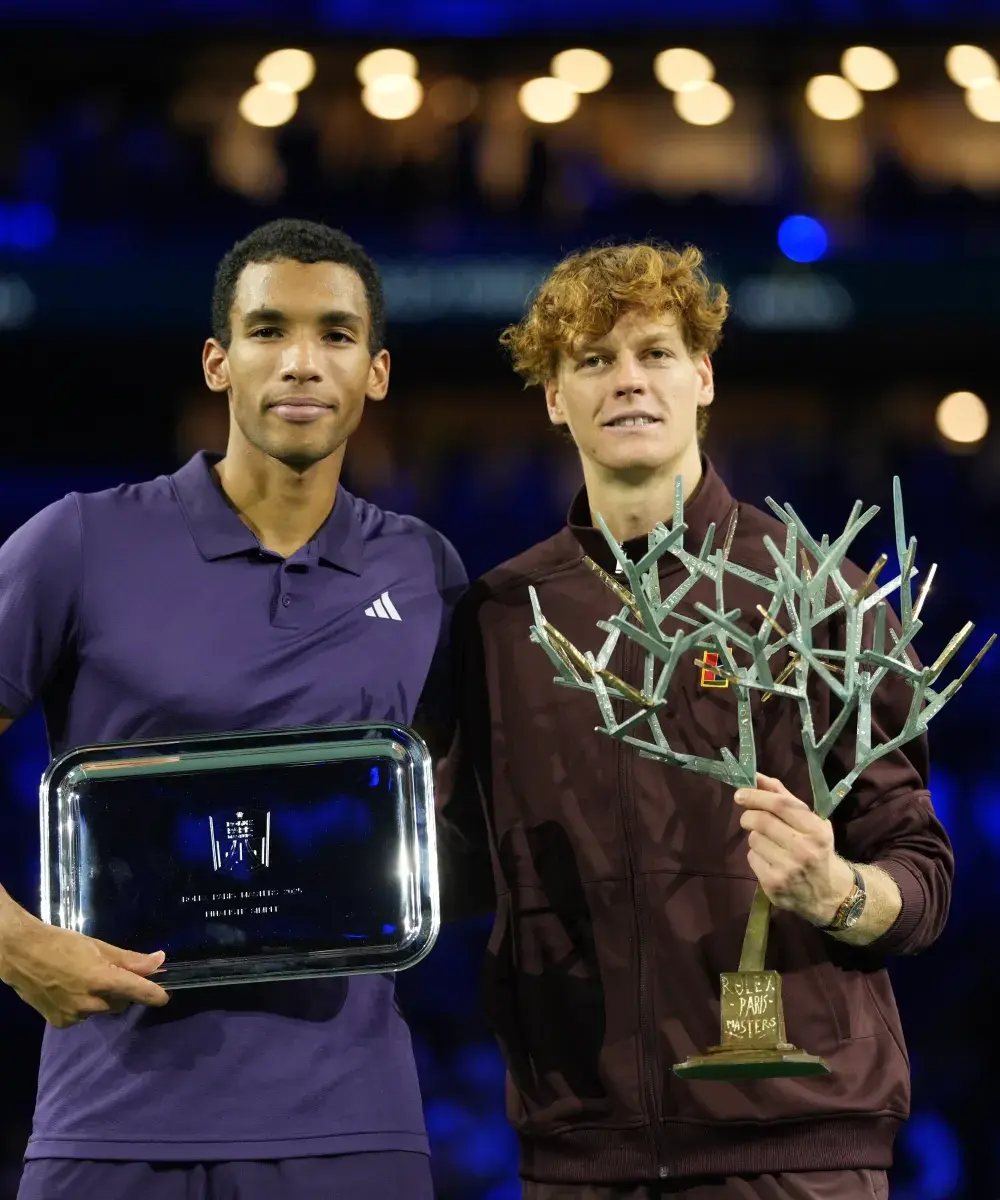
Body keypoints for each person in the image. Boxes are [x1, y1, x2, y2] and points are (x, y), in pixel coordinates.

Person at [436, 241, 953, 1199]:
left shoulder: (816, 590)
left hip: (799, 1150)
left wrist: (837, 889)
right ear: (554, 396)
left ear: (703, 376)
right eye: (592, 360)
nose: (626, 382)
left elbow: (921, 876)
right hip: (582, 1160)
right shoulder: (502, 619)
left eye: (654, 353)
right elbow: (455, 869)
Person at [0, 218, 466, 1200]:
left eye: (335, 335)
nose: (301, 363)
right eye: (268, 331)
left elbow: (464, 815)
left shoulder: (423, 572)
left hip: (355, 1127)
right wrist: (11, 941)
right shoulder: (78, 543)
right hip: (114, 1124)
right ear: (218, 361)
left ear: (375, 372)